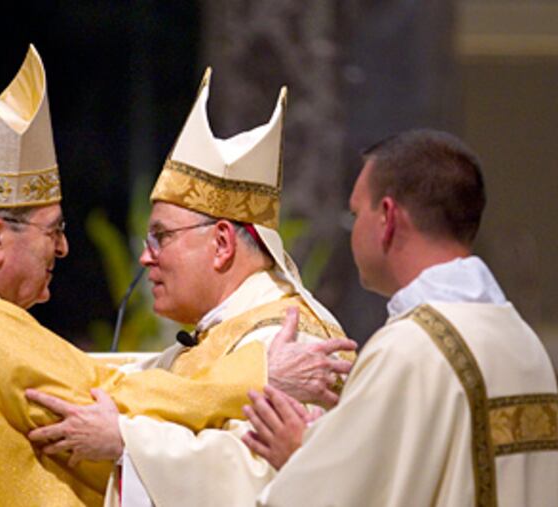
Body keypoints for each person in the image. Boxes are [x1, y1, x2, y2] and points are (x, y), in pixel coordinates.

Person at [0, 47, 312, 506]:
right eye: (53, 230)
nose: (65, 247)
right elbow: (101, 396)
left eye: (162, 237)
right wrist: (257, 374)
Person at [25, 69, 357, 507]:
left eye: (161, 237)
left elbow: (258, 477)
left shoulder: (292, 342)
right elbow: (126, 386)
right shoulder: (221, 333)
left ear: (221, 243)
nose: (145, 258)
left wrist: (127, 444)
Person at [244, 129, 558, 506]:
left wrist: (299, 456)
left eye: (355, 213)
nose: (354, 229)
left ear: (388, 218)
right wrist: (328, 442)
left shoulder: (410, 350)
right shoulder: (525, 345)